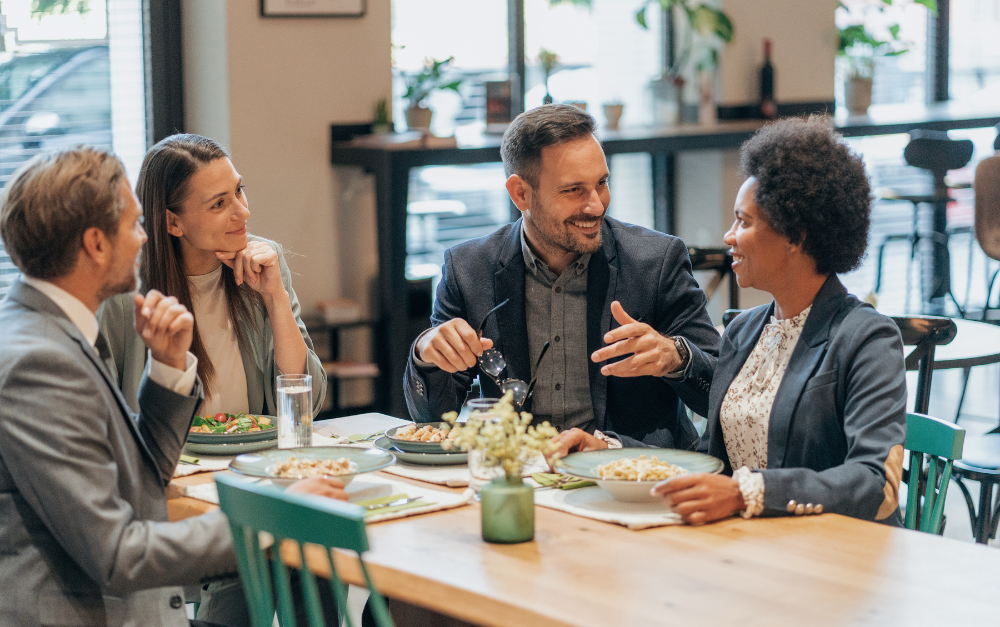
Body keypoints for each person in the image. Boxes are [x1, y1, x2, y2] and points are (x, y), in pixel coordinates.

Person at [0, 147, 346, 627]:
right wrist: (274, 512)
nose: (144, 240)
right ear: (97, 244)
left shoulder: (50, 331)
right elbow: (119, 554)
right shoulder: (39, 361)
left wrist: (165, 371)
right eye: (135, 225)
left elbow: (139, 480)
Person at [404, 104, 720, 449]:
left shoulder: (656, 260)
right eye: (573, 190)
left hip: (631, 474)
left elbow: (722, 393)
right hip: (517, 473)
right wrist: (426, 355)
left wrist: (676, 357)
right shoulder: (468, 268)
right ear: (520, 193)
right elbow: (433, 420)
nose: (596, 205)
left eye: (602, 183)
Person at [651, 117, 907, 525]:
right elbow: (709, 460)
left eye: (744, 221)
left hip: (837, 560)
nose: (729, 235)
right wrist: (609, 452)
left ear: (797, 235)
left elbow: (875, 482)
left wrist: (746, 493)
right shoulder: (743, 330)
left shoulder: (867, 337)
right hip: (750, 548)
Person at [99, 133, 326, 420]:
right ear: (173, 222)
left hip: (250, 456)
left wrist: (275, 298)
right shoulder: (122, 287)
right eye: (218, 204)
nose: (243, 212)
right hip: (168, 462)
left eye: (239, 190)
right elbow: (101, 413)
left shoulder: (265, 262)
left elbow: (307, 404)